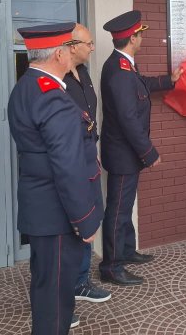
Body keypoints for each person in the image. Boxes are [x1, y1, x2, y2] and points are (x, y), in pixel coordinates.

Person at [7, 22, 103, 334]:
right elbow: (67, 165)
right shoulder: (52, 97)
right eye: (68, 50)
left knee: (47, 287)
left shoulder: (27, 85)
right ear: (59, 54)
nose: (73, 54)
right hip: (57, 213)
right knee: (56, 299)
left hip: (41, 209)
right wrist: (84, 219)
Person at [99, 10, 182, 286]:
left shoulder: (123, 65)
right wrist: (149, 152)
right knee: (118, 209)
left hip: (124, 153)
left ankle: (126, 251)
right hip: (124, 154)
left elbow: (142, 84)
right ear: (132, 38)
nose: (142, 38)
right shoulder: (120, 71)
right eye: (140, 35)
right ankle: (111, 266)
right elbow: (128, 119)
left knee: (124, 205)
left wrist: (169, 80)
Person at [62, 24, 112, 304]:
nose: (93, 48)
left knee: (91, 217)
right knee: (75, 221)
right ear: (72, 47)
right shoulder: (58, 79)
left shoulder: (83, 73)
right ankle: (70, 282)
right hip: (70, 161)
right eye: (89, 43)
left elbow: (89, 116)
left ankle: (81, 280)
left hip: (88, 157)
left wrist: (93, 149)